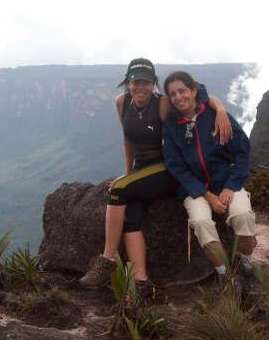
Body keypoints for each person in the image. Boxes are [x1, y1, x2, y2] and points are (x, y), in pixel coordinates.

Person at [79, 59, 232, 294]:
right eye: (136, 81)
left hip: (165, 169)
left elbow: (198, 93)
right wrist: (129, 175)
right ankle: (142, 283)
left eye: (147, 82)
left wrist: (220, 109)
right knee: (131, 215)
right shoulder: (121, 102)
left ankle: (106, 261)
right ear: (127, 82)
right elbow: (128, 139)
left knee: (118, 191)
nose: (141, 87)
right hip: (142, 172)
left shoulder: (162, 104)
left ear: (153, 84)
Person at [162, 70, 257, 289]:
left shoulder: (216, 116)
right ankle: (226, 274)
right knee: (201, 222)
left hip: (226, 182)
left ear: (194, 90)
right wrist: (207, 195)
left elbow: (242, 152)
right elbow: (175, 166)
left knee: (242, 214)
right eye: (173, 94)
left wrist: (231, 186)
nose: (178, 97)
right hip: (194, 189)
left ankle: (247, 265)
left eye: (182, 91)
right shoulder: (171, 126)